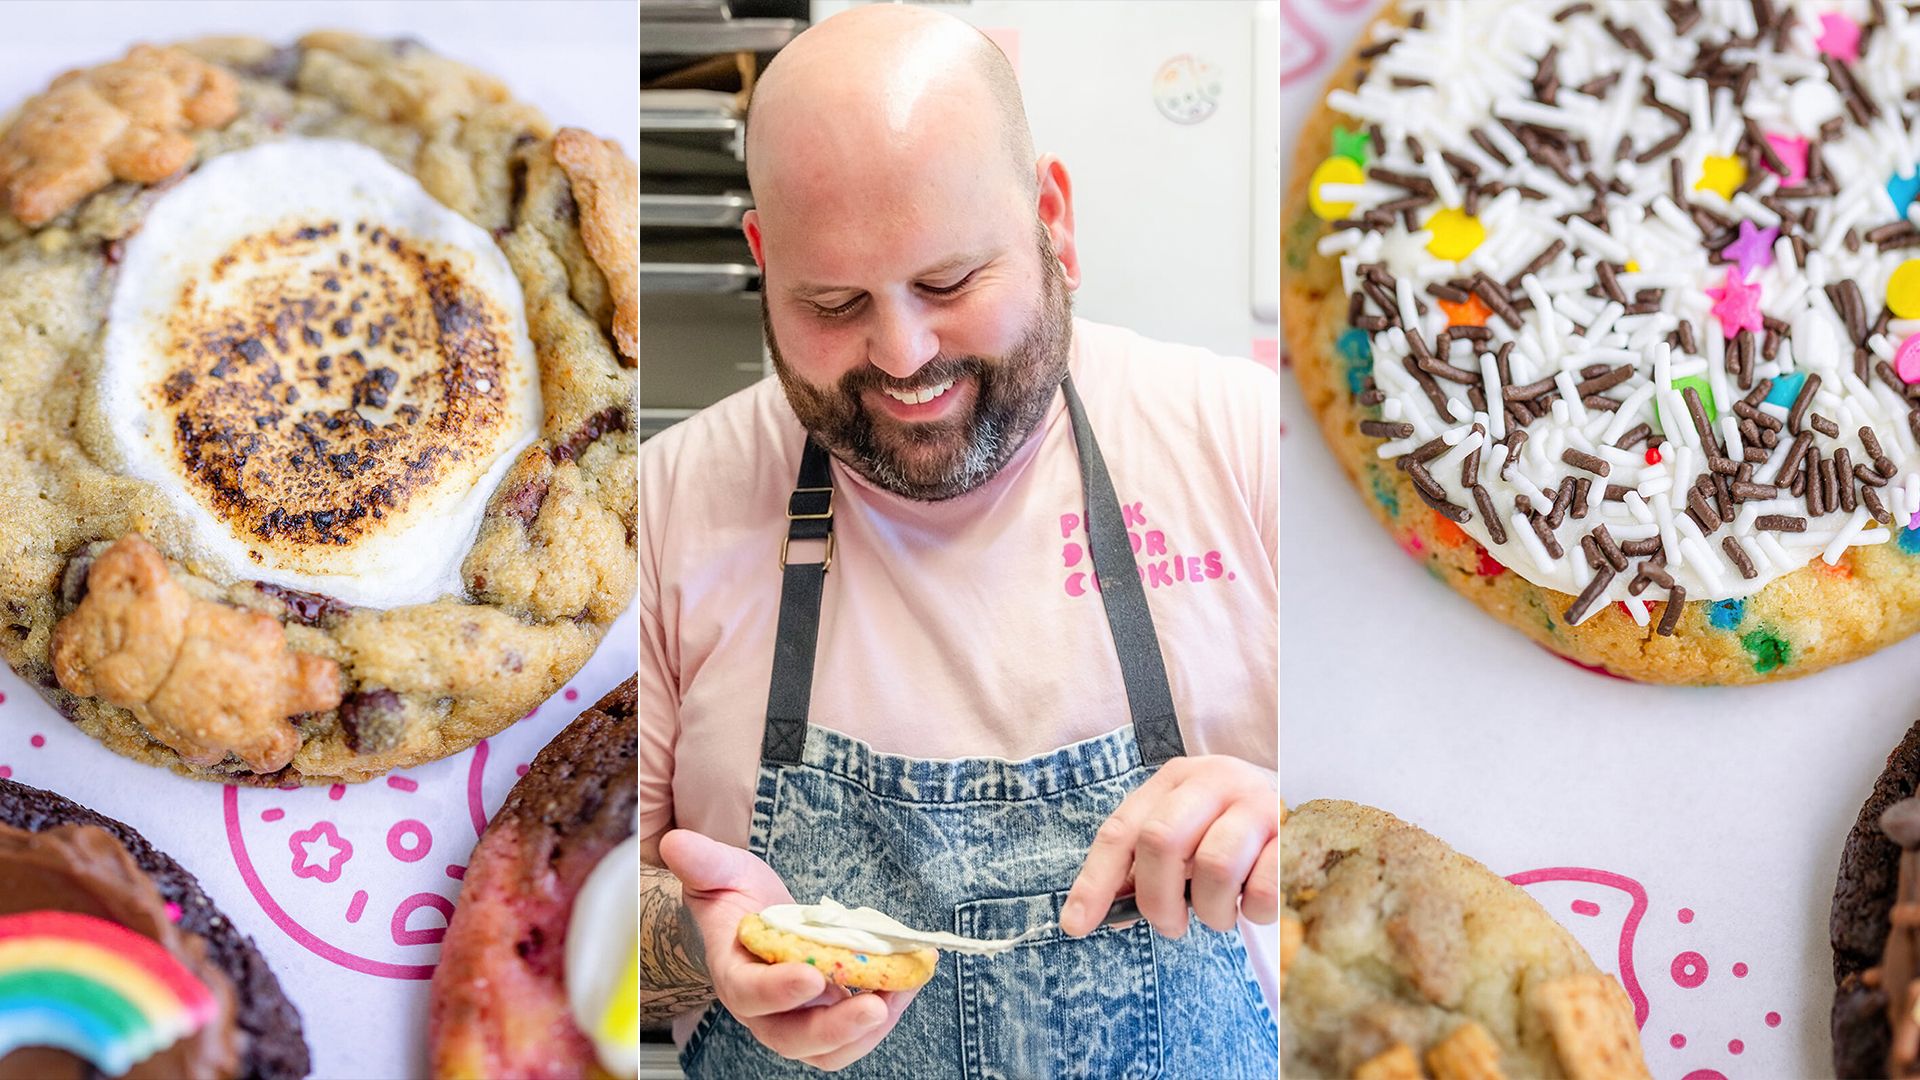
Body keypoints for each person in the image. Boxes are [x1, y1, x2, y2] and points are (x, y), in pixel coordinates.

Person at [639, 5, 1279, 1075]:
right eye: (833, 300)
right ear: (762, 256)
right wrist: (697, 941)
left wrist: (1285, 816)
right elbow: (573, 905)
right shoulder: (661, 510)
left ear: (1052, 221)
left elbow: (1418, 828)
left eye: (948, 283)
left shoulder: (1246, 449)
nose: (903, 353)